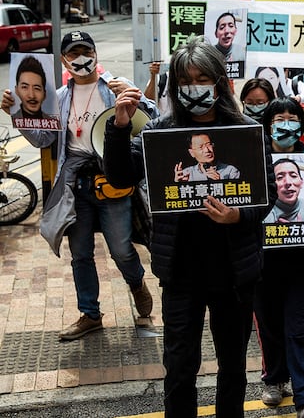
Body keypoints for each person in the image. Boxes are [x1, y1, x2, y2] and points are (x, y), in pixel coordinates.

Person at [103, 36, 267, 417]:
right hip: (180, 272)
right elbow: (120, 176)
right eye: (185, 81)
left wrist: (237, 215)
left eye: (202, 78)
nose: (195, 87)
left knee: (233, 366)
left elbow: (268, 194)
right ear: (174, 87)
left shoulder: (245, 131)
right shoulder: (160, 132)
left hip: (235, 272)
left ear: (219, 81)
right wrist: (120, 125)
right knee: (179, 366)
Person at [0, 31, 156, 340]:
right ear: (63, 60)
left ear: (96, 54)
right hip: (76, 185)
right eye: (73, 54)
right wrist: (15, 112)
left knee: (121, 248)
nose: (80, 58)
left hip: (112, 180)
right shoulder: (56, 97)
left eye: (86, 51)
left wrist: (137, 99)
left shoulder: (115, 87)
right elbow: (43, 139)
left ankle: (136, 282)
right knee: (81, 252)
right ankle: (90, 313)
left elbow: (152, 122)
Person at [254, 96, 304, 418]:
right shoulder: (254, 162)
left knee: (300, 329)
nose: (286, 125)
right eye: (278, 119)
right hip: (262, 262)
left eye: (292, 118)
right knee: (269, 327)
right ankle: (274, 379)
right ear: (267, 125)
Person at [263, 158, 304, 223]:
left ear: (301, 182)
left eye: (293, 176)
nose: (288, 182)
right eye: (280, 177)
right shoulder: (264, 213)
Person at [174, 132, 241, 181]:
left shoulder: (230, 171)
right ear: (192, 153)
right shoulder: (186, 173)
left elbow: (239, 198)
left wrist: (219, 183)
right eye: (200, 147)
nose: (207, 150)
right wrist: (178, 185)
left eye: (209, 145)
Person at [10, 55, 59, 123]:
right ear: (16, 90)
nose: (32, 95)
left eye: (37, 88)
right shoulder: (16, 117)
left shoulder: (53, 122)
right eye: (25, 87)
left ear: (44, 94)